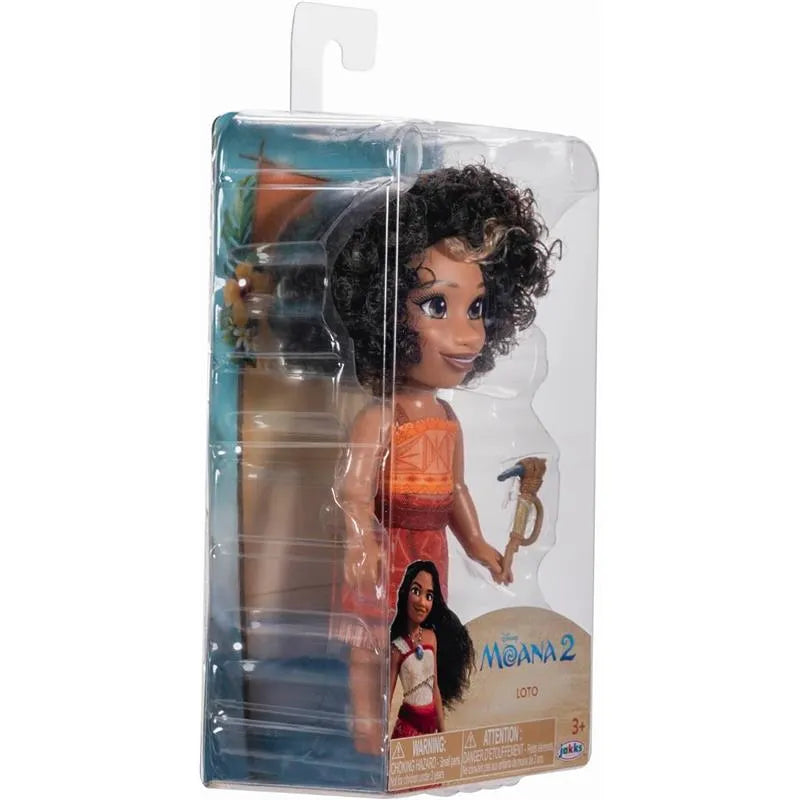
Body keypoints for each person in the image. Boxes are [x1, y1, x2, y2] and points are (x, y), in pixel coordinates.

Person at [330, 164, 558, 753]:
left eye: (476, 308)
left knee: (421, 639)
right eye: (437, 305)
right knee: (371, 641)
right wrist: (359, 539)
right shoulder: (383, 417)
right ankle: (366, 732)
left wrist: (477, 543)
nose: (467, 334)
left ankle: (414, 723)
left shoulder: (448, 419)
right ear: (385, 312)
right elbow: (353, 488)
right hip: (388, 542)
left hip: (430, 546)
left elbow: (455, 490)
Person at [389, 561, 474, 738]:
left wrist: (443, 732)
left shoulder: (431, 638)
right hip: (408, 727)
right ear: (405, 593)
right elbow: (387, 697)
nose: (422, 602)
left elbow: (435, 687)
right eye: (416, 591)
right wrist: (382, 737)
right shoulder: (397, 647)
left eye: (429, 596)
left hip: (431, 726)